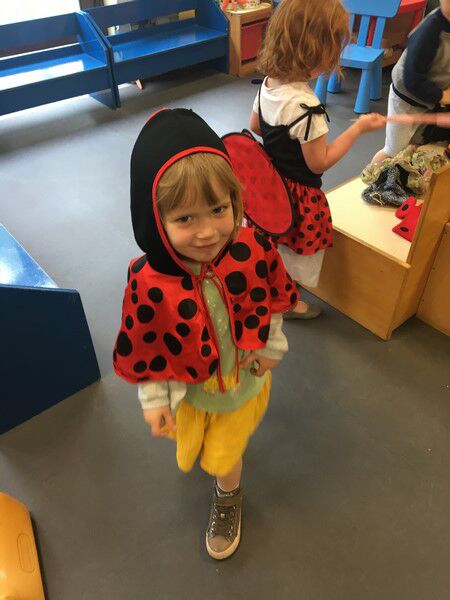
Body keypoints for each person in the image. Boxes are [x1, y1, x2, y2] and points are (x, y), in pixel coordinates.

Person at [113, 108, 298, 560]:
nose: (208, 232)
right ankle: (220, 469)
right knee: (193, 448)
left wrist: (272, 346)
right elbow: (146, 347)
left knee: (222, 459)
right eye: (185, 219)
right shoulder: (148, 283)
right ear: (155, 219)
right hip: (191, 391)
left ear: (235, 199)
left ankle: (228, 494)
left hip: (240, 382)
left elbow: (271, 298)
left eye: (219, 209)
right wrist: (154, 400)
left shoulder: (251, 248)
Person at [249, 0, 386, 318]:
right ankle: (286, 301)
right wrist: (358, 129)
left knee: (274, 239)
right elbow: (319, 163)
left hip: (271, 185)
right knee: (296, 248)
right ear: (320, 52)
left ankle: (268, 282)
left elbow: (255, 126)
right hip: (298, 195)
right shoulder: (307, 108)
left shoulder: (269, 83)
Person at [372, 0, 450, 164]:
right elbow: (412, 80)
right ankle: (371, 178)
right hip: (406, 99)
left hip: (431, 96)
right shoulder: (429, 32)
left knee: (416, 144)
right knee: (393, 151)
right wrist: (441, 96)